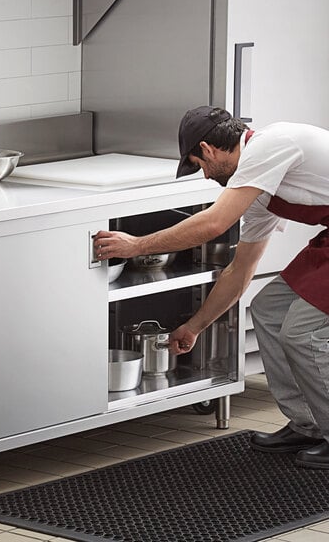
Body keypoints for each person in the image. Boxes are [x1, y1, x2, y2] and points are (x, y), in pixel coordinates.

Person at [94, 106, 329, 469]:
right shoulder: (259, 188)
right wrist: (195, 326)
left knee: (302, 332)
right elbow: (240, 270)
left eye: (198, 165)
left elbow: (214, 223)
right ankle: (308, 425)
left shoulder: (272, 146)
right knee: (268, 308)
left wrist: (136, 244)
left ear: (209, 149)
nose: (204, 176)